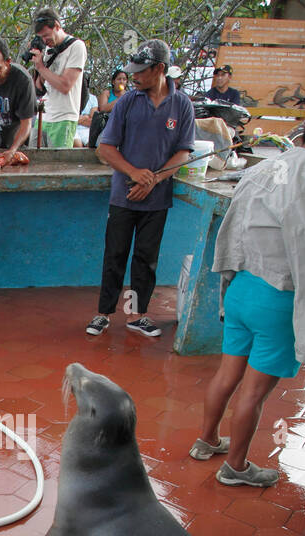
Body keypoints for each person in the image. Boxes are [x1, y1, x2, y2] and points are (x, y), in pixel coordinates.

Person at [194, 84, 305, 487]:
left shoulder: (268, 165)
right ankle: (235, 467)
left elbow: (234, 229)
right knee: (253, 393)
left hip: (241, 289)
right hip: (278, 300)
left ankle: (206, 441)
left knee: (226, 376)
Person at [88, 40, 195, 339]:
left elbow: (183, 152)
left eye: (140, 71)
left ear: (159, 69)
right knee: (115, 255)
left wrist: (154, 180)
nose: (133, 77)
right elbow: (105, 148)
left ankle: (138, 315)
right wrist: (134, 174)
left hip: (157, 198)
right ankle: (103, 314)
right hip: (124, 194)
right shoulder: (127, 102)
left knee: (146, 259)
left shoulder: (182, 104)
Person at [26, 8, 86, 148]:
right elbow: (40, 87)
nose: (45, 41)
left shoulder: (76, 47)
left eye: (46, 35)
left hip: (64, 118)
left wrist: (41, 67)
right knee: (34, 162)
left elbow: (65, 86)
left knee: (59, 165)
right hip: (45, 115)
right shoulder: (47, 49)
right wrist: (38, 65)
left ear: (57, 26)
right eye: (41, 37)